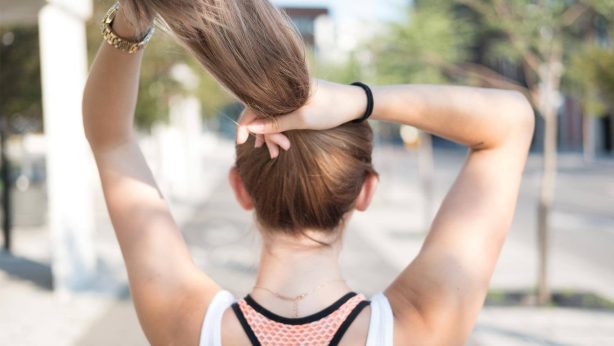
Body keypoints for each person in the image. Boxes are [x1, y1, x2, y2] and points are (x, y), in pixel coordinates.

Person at [82, 1, 534, 345]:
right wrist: (360, 99)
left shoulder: (189, 323)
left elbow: (111, 139)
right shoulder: (420, 322)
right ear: (365, 191)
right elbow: (511, 122)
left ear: (240, 188)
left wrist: (131, 20)